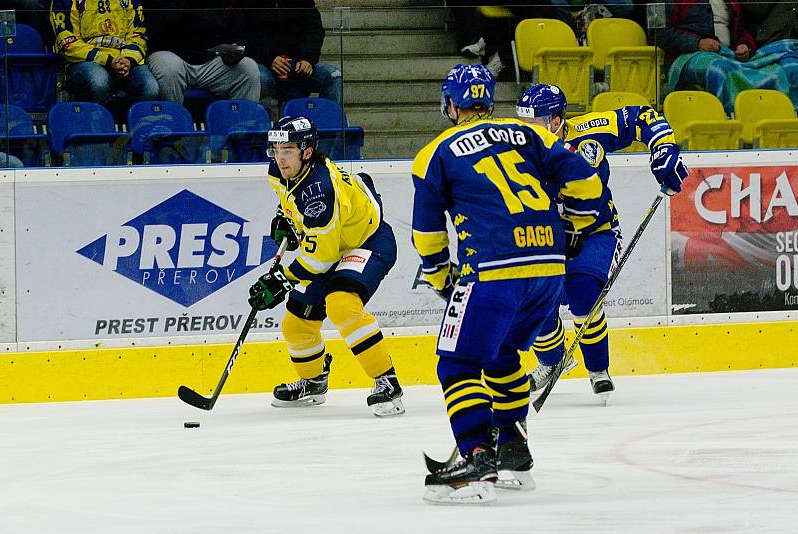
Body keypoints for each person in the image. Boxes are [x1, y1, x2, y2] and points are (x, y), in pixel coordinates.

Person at [414, 64, 604, 505]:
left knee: (456, 365)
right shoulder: (530, 135)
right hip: (547, 271)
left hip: (494, 271)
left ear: (452, 105)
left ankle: (477, 459)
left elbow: (427, 233)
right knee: (501, 358)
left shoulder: (436, 152)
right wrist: (574, 226)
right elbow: (586, 183)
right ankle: (515, 452)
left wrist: (443, 278)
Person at [515, 83, 688, 399]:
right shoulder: (516, 152)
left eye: (533, 123)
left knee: (584, 294)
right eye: (521, 122)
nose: (525, 130)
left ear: (556, 121)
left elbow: (642, 117)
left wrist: (663, 148)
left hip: (596, 231)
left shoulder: (586, 131)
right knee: (536, 301)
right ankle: (551, 363)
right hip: (544, 240)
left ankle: (597, 368)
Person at [247, 116, 404, 418]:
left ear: (307, 151)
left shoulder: (320, 191)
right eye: (276, 149)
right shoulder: (281, 172)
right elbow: (290, 199)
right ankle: (314, 381)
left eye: (289, 150)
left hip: (367, 243)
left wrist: (281, 280)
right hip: (333, 244)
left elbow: (319, 260)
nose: (280, 157)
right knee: (296, 323)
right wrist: (286, 218)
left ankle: (388, 382)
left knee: (341, 305)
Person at [50, 0, 159, 114]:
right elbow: (67, 43)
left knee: (150, 87)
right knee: (99, 81)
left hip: (124, 59)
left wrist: (128, 59)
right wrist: (108, 60)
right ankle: (99, 125)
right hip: (83, 62)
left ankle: (135, 127)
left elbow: (138, 33)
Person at [146, 0, 260, 104]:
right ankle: (173, 123)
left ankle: (242, 125)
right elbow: (155, 28)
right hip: (169, 53)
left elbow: (239, 32)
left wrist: (234, 49)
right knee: (170, 68)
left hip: (211, 58)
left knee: (248, 68)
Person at [243, 0, 342, 109]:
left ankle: (330, 123)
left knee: (333, 76)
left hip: (297, 63)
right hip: (263, 63)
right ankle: (263, 122)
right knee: (259, 78)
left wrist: (307, 58)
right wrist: (270, 58)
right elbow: (244, 36)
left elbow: (314, 29)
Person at [652, 0, 756, 66]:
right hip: (686, 57)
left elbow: (742, 30)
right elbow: (657, 33)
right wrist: (697, 43)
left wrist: (744, 45)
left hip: (729, 55)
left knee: (769, 67)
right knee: (720, 69)